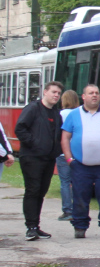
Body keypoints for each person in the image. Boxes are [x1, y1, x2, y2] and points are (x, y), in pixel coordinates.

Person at [62, 84, 100, 239]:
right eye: (90, 93)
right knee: (80, 197)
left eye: (97, 93)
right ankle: (80, 226)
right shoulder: (74, 115)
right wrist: (70, 159)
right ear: (83, 97)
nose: (94, 95)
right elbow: (65, 138)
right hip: (81, 166)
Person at [14, 81, 64, 241]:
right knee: (33, 189)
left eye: (58, 93)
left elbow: (58, 134)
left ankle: (36, 225)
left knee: (41, 192)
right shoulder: (33, 108)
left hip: (48, 158)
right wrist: (34, 144)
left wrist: (56, 150)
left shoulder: (56, 113)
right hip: (31, 157)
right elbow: (20, 128)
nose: (56, 95)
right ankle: (30, 227)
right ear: (45, 92)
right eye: (53, 92)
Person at [55, 89, 79, 222]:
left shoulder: (60, 114)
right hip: (77, 152)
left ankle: (67, 210)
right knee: (77, 182)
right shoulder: (79, 114)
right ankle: (78, 209)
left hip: (63, 153)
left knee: (65, 182)